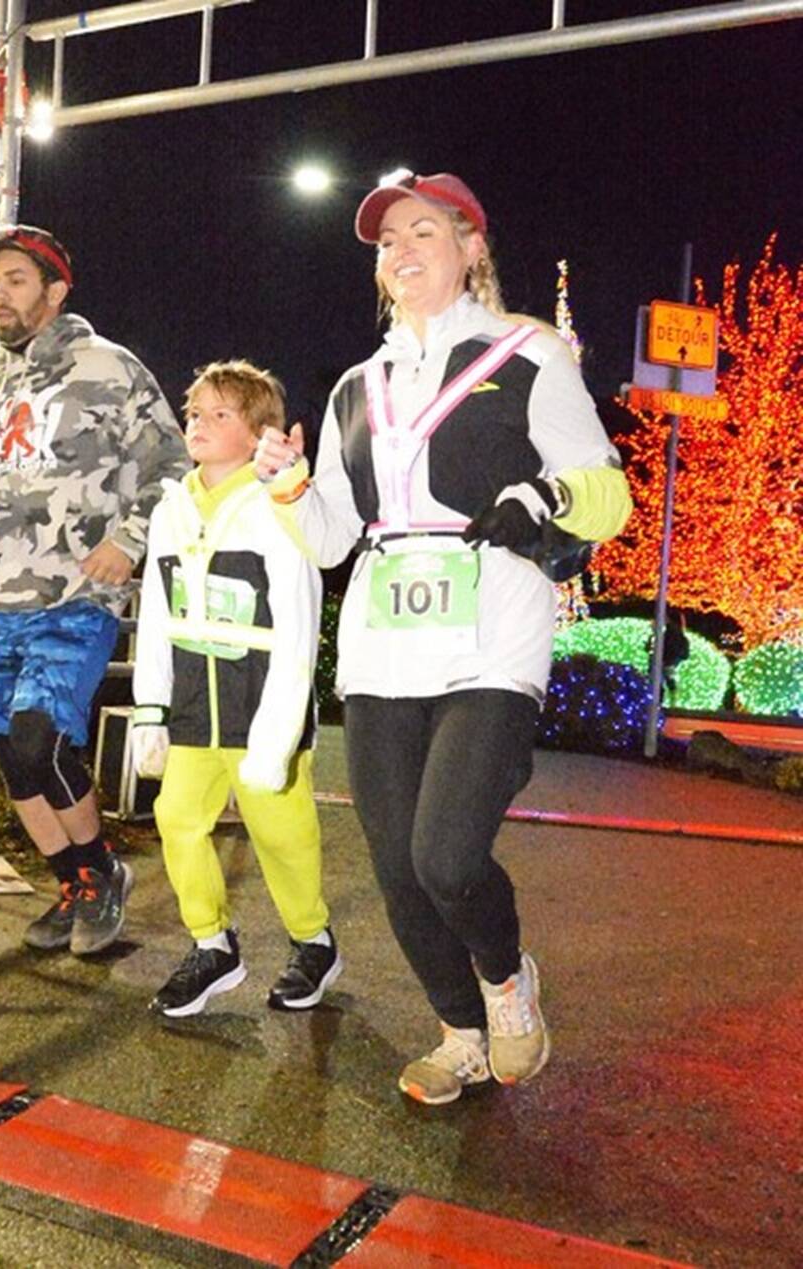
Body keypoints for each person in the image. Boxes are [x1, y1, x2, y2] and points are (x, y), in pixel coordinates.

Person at [255, 171, 632, 1104]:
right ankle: (461, 1033)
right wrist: (294, 487)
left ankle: (507, 983)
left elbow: (608, 488)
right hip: (384, 640)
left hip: (492, 628)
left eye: (425, 230)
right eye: (388, 241)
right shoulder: (357, 386)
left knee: (446, 855)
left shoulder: (529, 351)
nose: (403, 250)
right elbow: (334, 541)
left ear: (471, 249)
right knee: (395, 870)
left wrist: (541, 496)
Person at [0, 225, 188, 957]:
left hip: (75, 593)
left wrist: (127, 540)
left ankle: (99, 871)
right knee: (11, 752)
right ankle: (76, 881)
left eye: (14, 279)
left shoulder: (109, 368)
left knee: (42, 738)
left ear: (55, 289)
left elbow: (173, 464)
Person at [131, 360, 341, 1017]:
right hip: (195, 704)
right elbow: (156, 613)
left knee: (283, 833)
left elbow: (300, 623)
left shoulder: (279, 503)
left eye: (220, 413)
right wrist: (149, 709)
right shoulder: (172, 508)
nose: (198, 422)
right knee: (176, 818)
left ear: (260, 432)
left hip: (261, 703)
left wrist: (278, 733)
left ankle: (314, 940)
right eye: (194, 411)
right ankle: (211, 943)